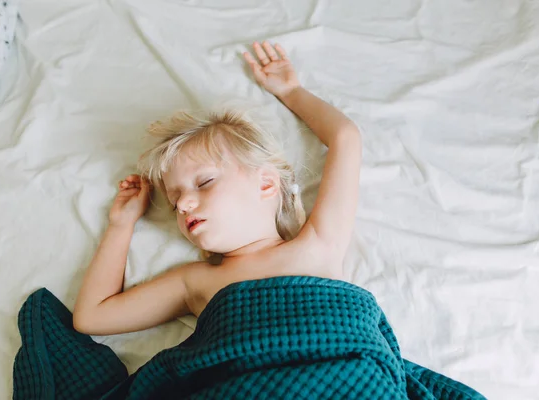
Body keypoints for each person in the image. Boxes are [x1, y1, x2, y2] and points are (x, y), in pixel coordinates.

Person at [72, 41, 362, 335]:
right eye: (174, 202)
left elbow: (345, 138)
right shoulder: (195, 282)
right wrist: (121, 225)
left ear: (265, 183)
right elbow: (92, 318)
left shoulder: (318, 243)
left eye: (204, 182)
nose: (184, 204)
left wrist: (291, 92)